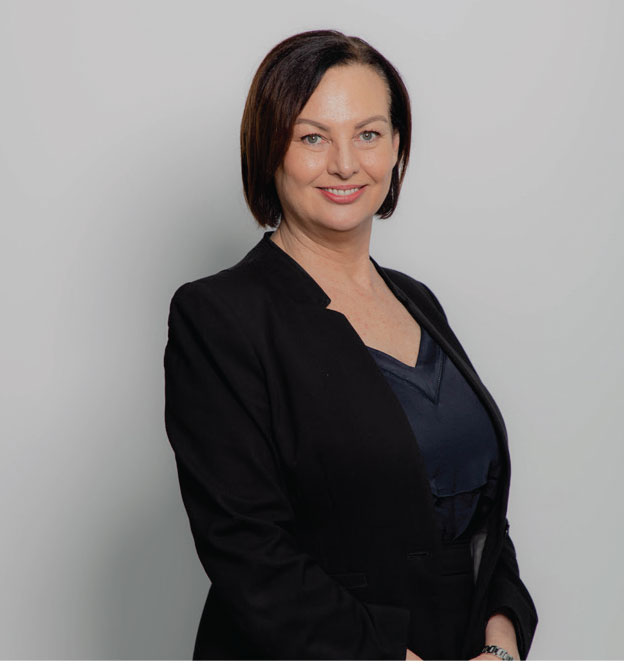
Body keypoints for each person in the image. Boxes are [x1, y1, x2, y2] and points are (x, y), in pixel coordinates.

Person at [163, 29, 538, 660]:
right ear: (270, 149)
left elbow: (480, 514)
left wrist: (501, 638)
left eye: (368, 134)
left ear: (396, 149)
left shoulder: (417, 300)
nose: (345, 163)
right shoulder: (219, 316)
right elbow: (249, 554)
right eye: (313, 137)